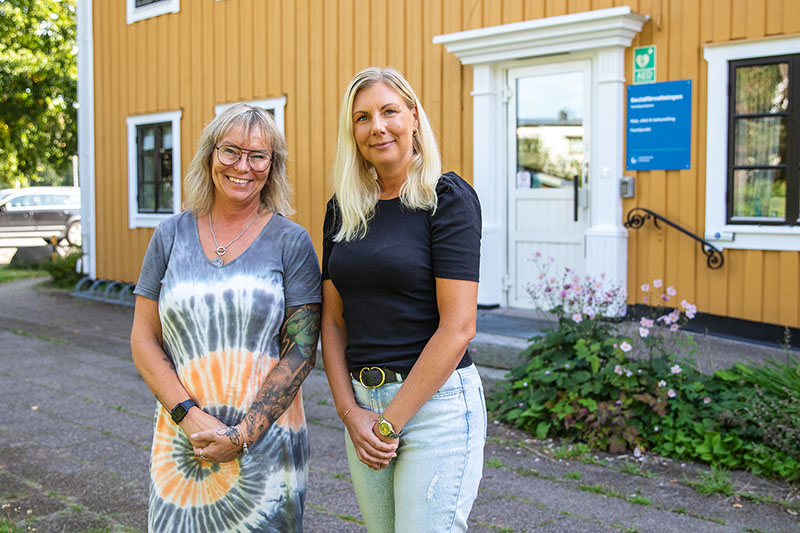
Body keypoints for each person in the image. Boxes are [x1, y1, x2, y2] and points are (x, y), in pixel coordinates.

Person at [131, 103, 321, 532]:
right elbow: (143, 339)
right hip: (184, 443)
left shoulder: (292, 242)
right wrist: (189, 416)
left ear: (273, 166)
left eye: (258, 156)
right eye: (231, 151)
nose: (243, 166)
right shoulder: (169, 235)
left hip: (266, 447)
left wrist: (242, 436)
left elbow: (302, 352)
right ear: (209, 154)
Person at [321, 67, 486, 532]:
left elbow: (458, 327)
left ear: (413, 116)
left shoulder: (447, 197)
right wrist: (350, 412)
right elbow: (333, 323)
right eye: (362, 117)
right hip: (364, 405)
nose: (377, 127)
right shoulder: (343, 207)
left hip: (436, 407)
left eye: (389, 111)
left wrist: (389, 423)